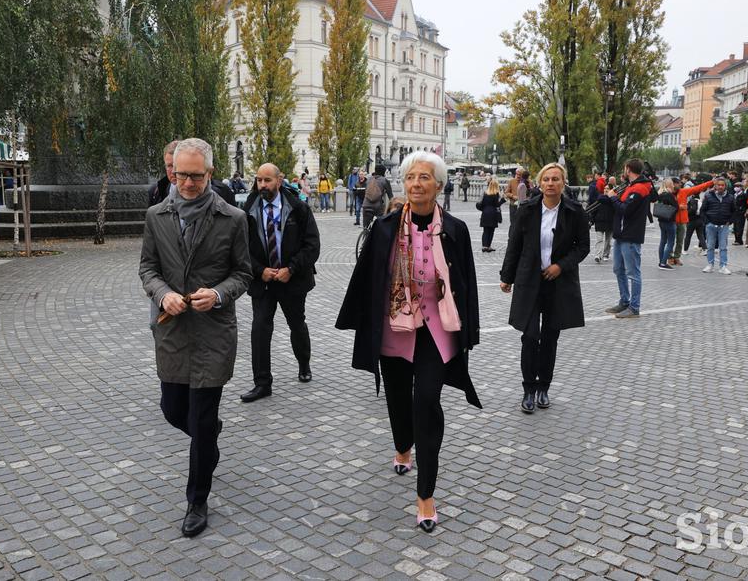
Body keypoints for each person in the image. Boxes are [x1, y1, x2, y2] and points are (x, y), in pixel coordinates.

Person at [335, 151, 481, 534]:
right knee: (399, 401)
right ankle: (403, 446)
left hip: (436, 330)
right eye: (411, 177)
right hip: (395, 329)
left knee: (427, 402)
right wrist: (358, 322)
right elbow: (366, 280)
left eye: (424, 177)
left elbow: (466, 282)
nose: (416, 183)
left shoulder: (455, 229)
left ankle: (426, 495)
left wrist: (470, 331)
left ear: (438, 184)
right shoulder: (384, 228)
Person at [139, 138, 252, 537]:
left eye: (196, 176)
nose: (187, 182)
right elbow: (147, 269)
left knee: (202, 418)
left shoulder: (233, 218)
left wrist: (219, 294)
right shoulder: (156, 215)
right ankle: (208, 439)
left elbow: (244, 273)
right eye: (180, 174)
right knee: (173, 410)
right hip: (172, 331)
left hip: (213, 333)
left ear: (210, 172)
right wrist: (162, 294)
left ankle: (197, 500)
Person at [500, 163, 589, 413]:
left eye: (556, 179)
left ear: (563, 183)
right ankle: (528, 389)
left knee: (550, 338)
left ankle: (543, 388)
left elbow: (582, 247)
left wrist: (561, 266)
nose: (550, 183)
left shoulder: (575, 211)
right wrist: (507, 277)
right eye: (546, 179)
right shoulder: (527, 209)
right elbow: (514, 244)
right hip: (529, 281)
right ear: (540, 183)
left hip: (558, 283)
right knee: (529, 337)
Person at [240, 163, 321, 403]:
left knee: (297, 324)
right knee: (260, 329)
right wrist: (259, 270)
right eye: (258, 180)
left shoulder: (298, 208)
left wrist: (292, 269)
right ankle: (262, 383)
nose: (262, 185)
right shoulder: (248, 210)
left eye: (267, 180)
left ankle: (304, 363)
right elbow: (240, 248)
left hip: (292, 280)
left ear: (279, 180)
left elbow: (312, 246)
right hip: (263, 281)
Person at [597, 158, 653, 318]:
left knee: (633, 273)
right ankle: (624, 301)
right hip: (621, 235)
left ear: (628, 169)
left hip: (630, 235)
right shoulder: (631, 186)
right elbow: (619, 204)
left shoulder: (640, 188)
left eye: (624, 168)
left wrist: (612, 198)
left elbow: (625, 210)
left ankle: (634, 307)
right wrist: (608, 198)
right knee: (618, 269)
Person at [149, 139, 235, 207]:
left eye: (177, 166)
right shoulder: (156, 191)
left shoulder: (222, 192)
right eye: (169, 165)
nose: (173, 171)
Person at [671, 176, 713, 266]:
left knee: (680, 240)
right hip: (671, 220)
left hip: (682, 220)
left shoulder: (683, 191)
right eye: (678, 183)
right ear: (673, 184)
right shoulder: (667, 193)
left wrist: (711, 182)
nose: (680, 184)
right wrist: (679, 207)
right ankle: (670, 257)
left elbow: (697, 188)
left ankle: (676, 257)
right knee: (670, 240)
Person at [700, 177, 735, 274]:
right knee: (710, 246)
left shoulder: (730, 197)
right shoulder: (708, 196)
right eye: (718, 185)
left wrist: (730, 221)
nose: (720, 187)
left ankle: (723, 266)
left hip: (724, 226)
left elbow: (734, 211)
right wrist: (707, 222)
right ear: (715, 186)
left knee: (723, 247)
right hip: (711, 225)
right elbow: (702, 211)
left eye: (722, 185)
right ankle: (710, 265)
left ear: (725, 186)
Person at [476, 179, 505, 252]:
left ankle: (484, 246)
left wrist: (484, 209)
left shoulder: (485, 193)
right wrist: (502, 200)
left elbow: (480, 204)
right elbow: (497, 205)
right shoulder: (496, 194)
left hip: (485, 213)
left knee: (485, 230)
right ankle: (488, 246)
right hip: (493, 214)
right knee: (491, 231)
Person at [655, 179, 678, 270]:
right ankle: (663, 263)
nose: (673, 186)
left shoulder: (660, 194)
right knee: (670, 242)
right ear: (669, 185)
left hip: (661, 220)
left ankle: (661, 261)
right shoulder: (669, 195)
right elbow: (676, 207)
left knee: (663, 241)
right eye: (672, 184)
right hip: (669, 221)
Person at [592, 184, 614, 263]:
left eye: (608, 188)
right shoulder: (600, 197)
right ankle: (597, 255)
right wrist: (592, 220)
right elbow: (594, 210)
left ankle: (605, 255)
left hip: (610, 222)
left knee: (608, 241)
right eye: (605, 188)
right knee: (599, 240)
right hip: (599, 222)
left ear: (611, 189)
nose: (605, 190)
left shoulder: (614, 198)